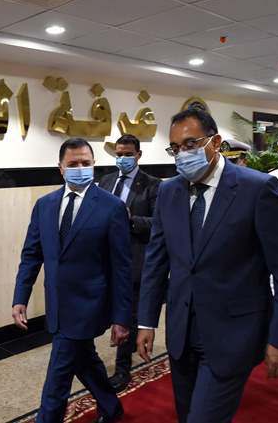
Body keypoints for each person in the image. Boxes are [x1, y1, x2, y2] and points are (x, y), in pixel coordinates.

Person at [136, 108, 278, 423]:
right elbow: (156, 261)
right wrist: (146, 320)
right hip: (182, 333)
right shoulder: (169, 191)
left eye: (190, 144)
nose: (182, 154)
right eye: (175, 148)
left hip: (233, 334)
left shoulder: (258, 189)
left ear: (215, 142)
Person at [12, 138, 132, 423]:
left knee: (58, 375)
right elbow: (31, 255)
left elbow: (121, 267)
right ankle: (111, 405)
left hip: (90, 304)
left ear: (94, 165)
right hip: (57, 303)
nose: (80, 168)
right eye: (73, 164)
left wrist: (122, 317)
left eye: (85, 163)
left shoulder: (111, 207)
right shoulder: (44, 205)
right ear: (61, 168)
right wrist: (20, 297)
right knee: (84, 360)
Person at [98, 134, 161, 392]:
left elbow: (159, 222)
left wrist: (130, 219)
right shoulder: (106, 181)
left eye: (128, 154)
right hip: (105, 257)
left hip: (134, 258)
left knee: (128, 314)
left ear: (138, 155)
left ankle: (122, 369)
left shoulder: (153, 185)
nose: (122, 159)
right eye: (119, 154)